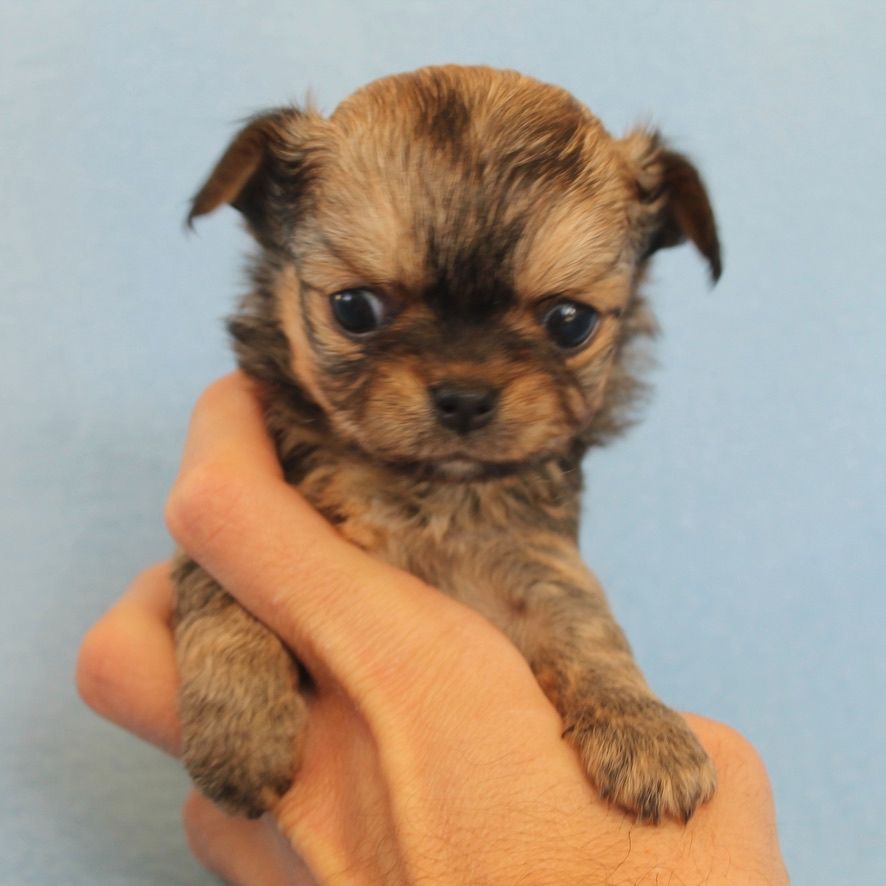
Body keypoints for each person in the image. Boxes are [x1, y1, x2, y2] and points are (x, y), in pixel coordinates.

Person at [77, 374, 788, 885]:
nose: (466, 385)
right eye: (361, 310)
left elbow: (548, 600)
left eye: (564, 322)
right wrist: (230, 650)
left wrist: (611, 700)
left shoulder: (534, 483)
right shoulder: (283, 450)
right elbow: (225, 562)